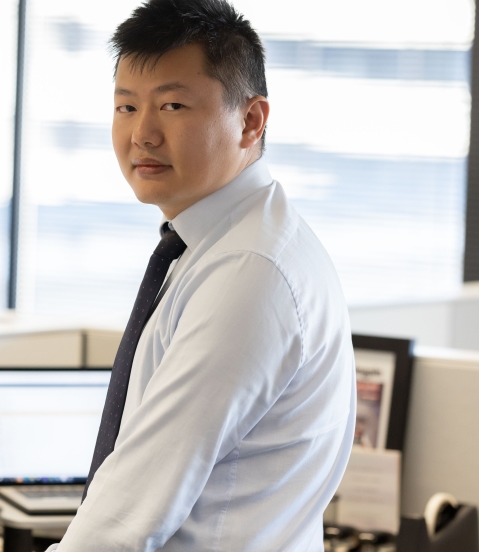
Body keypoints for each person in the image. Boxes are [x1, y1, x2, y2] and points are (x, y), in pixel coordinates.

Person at [48, 1, 355, 550]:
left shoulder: (249, 270)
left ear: (252, 120)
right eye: (125, 107)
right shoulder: (224, 244)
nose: (142, 133)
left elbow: (127, 518)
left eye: (172, 105)